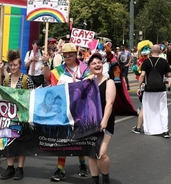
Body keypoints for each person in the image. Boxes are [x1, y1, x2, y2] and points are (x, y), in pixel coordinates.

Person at [43, 42, 90, 182]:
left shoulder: (84, 69)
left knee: (78, 138)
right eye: (65, 55)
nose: (68, 57)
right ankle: (60, 169)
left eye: (71, 55)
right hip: (62, 109)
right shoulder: (59, 70)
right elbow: (47, 78)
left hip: (80, 109)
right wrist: (46, 63)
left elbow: (90, 83)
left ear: (76, 55)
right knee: (63, 139)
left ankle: (82, 165)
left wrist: (80, 82)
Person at [0, 50, 34, 180]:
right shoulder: (6, 79)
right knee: (8, 141)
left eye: (15, 65)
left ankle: (20, 168)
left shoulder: (26, 80)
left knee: (21, 142)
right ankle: (10, 167)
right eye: (11, 65)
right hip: (8, 115)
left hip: (22, 116)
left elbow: (31, 96)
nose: (13, 67)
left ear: (20, 65)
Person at [85, 53, 116, 184]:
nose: (97, 65)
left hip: (105, 122)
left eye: (99, 62)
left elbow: (109, 103)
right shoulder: (87, 82)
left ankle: (105, 177)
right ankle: (95, 179)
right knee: (92, 153)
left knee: (101, 153)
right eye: (94, 63)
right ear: (89, 67)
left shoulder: (109, 82)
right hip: (90, 122)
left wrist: (104, 120)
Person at [137, 45, 171, 138]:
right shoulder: (164, 62)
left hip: (149, 89)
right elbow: (169, 75)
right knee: (163, 110)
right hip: (161, 89)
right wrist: (169, 85)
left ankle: (150, 129)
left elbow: (142, 75)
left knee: (148, 109)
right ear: (160, 51)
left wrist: (139, 87)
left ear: (150, 52)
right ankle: (165, 131)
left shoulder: (146, 62)